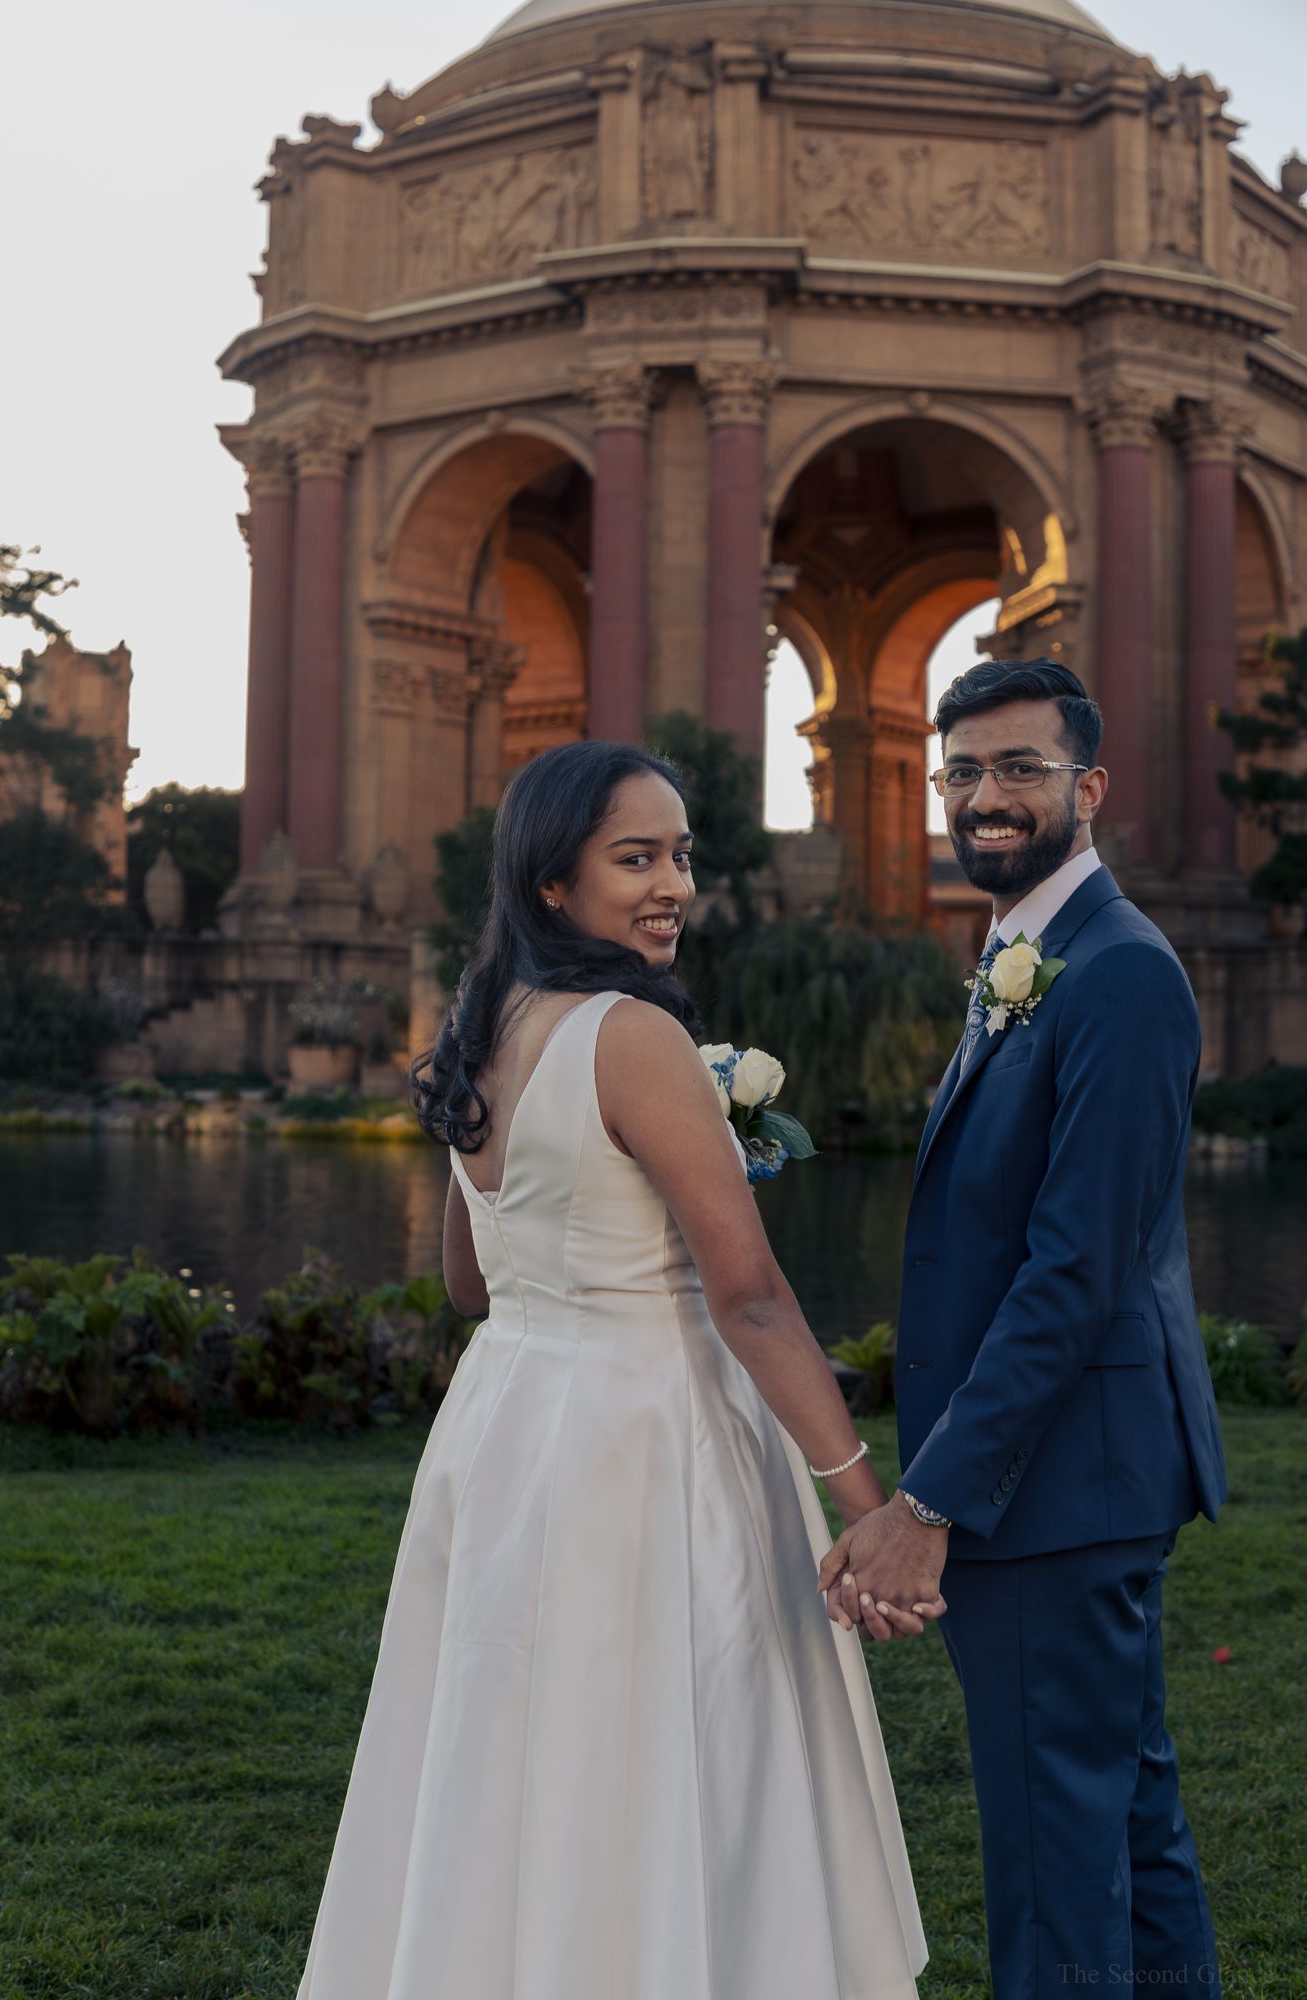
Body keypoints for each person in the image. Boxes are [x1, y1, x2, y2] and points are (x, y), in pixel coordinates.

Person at [293, 739, 930, 2000]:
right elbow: (746, 1295)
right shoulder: (631, 1035)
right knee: (671, 1724)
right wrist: (880, 1509)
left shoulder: (473, 1033)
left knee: (519, 1732)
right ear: (549, 883)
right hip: (650, 1425)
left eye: (680, 855)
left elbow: (469, 1284)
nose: (671, 883)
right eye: (633, 857)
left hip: (512, 1423)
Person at [819, 659, 1226, 1995]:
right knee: (1120, 1821)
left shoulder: (1114, 973)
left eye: (1019, 770)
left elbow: (1074, 1273)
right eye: (964, 773)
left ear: (1085, 787)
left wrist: (930, 1498)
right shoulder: (1022, 956)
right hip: (1072, 1474)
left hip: (1057, 1484)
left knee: (1055, 1869)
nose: (985, 799)